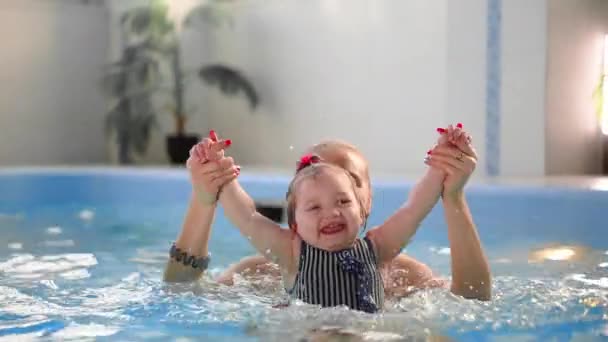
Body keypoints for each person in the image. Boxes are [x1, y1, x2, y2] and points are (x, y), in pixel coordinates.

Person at [164, 125, 491, 304]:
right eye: (313, 201)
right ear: (294, 215)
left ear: (366, 201)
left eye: (344, 191)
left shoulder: (400, 270)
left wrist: (449, 188)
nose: (330, 209)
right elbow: (178, 294)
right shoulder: (268, 268)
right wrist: (210, 192)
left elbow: (474, 301)